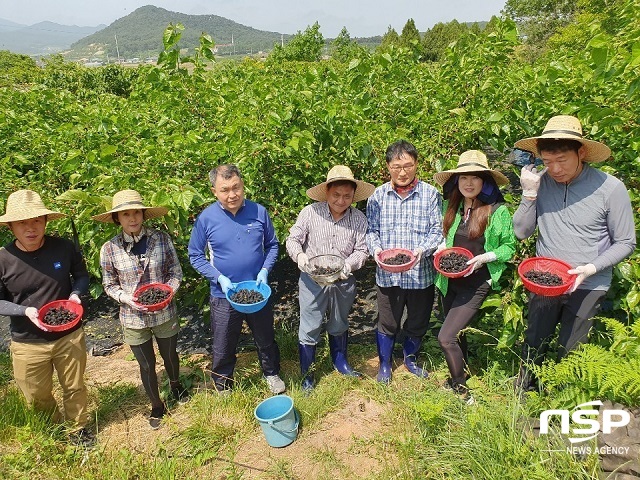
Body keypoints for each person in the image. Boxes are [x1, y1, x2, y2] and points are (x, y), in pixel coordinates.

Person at [512, 115, 636, 392]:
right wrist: (529, 194)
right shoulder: (541, 183)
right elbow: (521, 232)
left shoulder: (610, 188)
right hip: (545, 280)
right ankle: (522, 397)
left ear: (581, 153)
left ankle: (560, 402)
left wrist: (591, 268)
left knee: (571, 349)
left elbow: (626, 242)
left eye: (562, 160)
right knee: (534, 340)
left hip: (588, 283)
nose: (554, 169)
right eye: (547, 162)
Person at [0, 190, 92, 444]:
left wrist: (76, 294)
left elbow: (82, 276)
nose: (31, 228)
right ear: (10, 227)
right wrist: (24, 311)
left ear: (45, 221)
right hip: (27, 341)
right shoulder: (3, 259)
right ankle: (53, 428)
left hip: (68, 335)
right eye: (23, 223)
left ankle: (79, 429)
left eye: (36, 221)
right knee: (36, 394)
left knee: (74, 386)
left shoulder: (63, 247)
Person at [93, 190, 188, 430]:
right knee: (146, 364)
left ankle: (175, 385)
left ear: (143, 214)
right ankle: (156, 404)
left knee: (169, 354)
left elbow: (175, 272)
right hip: (132, 316)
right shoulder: (110, 248)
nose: (132, 218)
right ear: (117, 219)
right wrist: (126, 298)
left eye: (136, 212)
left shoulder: (161, 239)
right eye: (126, 214)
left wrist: (168, 292)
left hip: (164, 311)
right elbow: (109, 283)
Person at [188, 164, 284, 394]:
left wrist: (264, 270)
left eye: (236, 188)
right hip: (224, 295)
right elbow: (195, 255)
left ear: (243, 185)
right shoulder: (206, 219)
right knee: (223, 344)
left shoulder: (259, 212)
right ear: (214, 191)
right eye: (225, 190)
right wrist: (218, 277)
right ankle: (222, 384)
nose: (232, 195)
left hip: (256, 290)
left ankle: (271, 373)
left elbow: (272, 245)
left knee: (265, 337)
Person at [433, 150, 516, 403]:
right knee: (458, 334)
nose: (469, 184)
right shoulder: (454, 207)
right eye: (463, 178)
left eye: (475, 178)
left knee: (445, 337)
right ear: (457, 182)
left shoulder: (496, 210)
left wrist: (485, 258)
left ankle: (461, 389)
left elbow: (509, 247)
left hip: (475, 283)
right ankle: (463, 371)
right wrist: (441, 248)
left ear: (485, 182)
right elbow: (447, 239)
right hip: (449, 280)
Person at [286, 165, 375, 391]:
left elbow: (362, 250)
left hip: (343, 279)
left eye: (347, 196)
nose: (341, 200)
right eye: (336, 195)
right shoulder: (310, 213)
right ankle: (308, 373)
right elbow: (293, 239)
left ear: (354, 196)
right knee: (310, 325)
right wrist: (300, 256)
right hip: (312, 279)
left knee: (339, 321)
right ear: (327, 192)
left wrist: (349, 264)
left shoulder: (359, 219)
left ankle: (340, 361)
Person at [366, 140, 444, 383]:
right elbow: (371, 230)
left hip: (420, 273)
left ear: (417, 164)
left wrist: (421, 250)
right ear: (388, 166)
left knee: (418, 320)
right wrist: (377, 251)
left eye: (408, 165)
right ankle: (385, 364)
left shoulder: (430, 194)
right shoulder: (377, 196)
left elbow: (436, 231)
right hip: (388, 274)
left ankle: (410, 359)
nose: (402, 171)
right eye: (396, 166)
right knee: (387, 321)